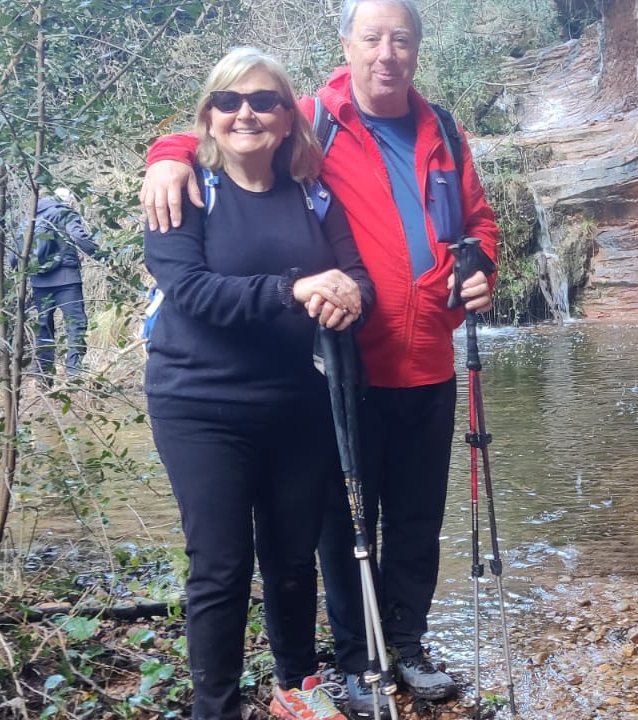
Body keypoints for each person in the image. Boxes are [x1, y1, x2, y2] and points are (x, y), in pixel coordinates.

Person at [140, 1, 499, 713]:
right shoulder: (315, 119)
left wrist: (480, 263)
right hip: (346, 369)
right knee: (341, 525)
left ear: (417, 49)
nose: (387, 52)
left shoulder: (444, 132)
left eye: (401, 39)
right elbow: (229, 127)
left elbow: (476, 222)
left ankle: (403, 645)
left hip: (423, 357)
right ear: (347, 44)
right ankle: (360, 659)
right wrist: (166, 154)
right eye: (372, 37)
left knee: (413, 519)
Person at [142, 47, 374, 720]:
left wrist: (349, 300)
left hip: (297, 404)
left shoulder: (312, 195)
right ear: (209, 115)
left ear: (287, 117)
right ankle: (214, 707)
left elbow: (358, 276)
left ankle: (295, 689)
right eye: (229, 101)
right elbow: (191, 291)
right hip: (199, 404)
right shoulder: (185, 190)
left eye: (264, 100)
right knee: (221, 565)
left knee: (293, 558)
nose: (246, 113)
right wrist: (295, 288)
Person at [12, 187, 101, 380]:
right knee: (76, 326)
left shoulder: (30, 217)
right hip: (67, 279)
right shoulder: (65, 213)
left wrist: (19, 271)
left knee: (43, 327)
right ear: (70, 202)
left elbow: (15, 252)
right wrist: (103, 256)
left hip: (38, 281)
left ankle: (42, 377)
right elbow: (79, 237)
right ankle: (74, 374)